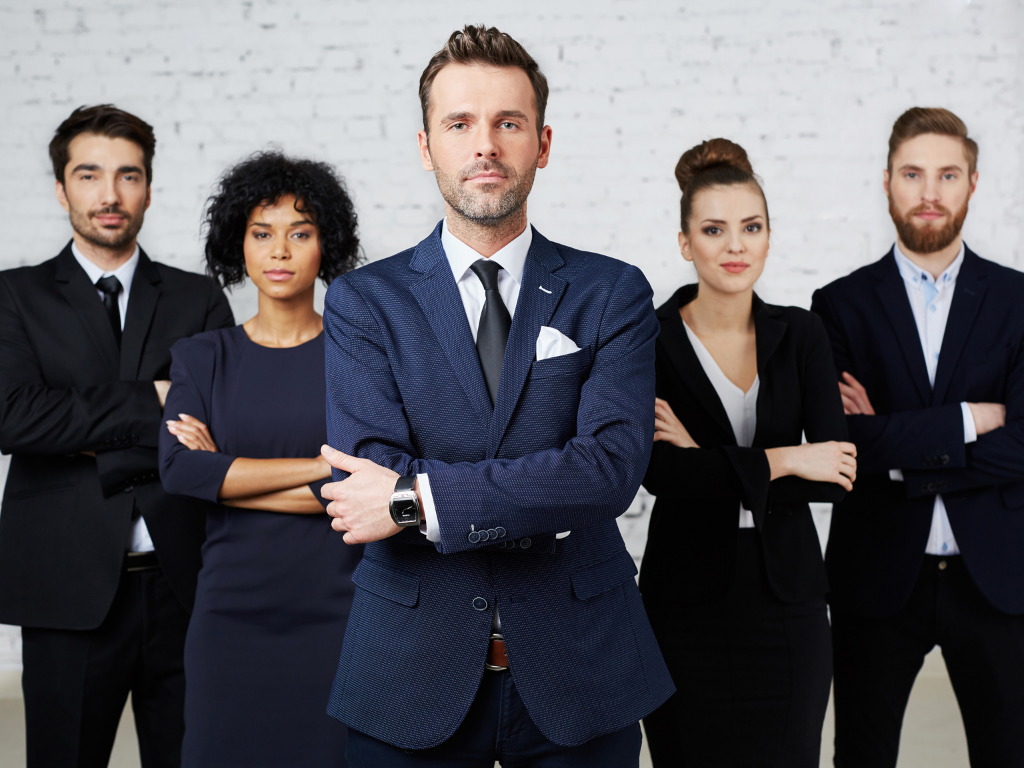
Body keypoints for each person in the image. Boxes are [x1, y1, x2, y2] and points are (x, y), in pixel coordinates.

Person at [314, 24, 674, 767]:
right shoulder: (363, 302)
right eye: (460, 124)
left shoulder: (611, 293)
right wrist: (542, 488)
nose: (486, 145)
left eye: (508, 123)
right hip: (410, 672)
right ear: (427, 147)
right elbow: (365, 474)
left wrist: (417, 501)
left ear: (541, 143)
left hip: (582, 670)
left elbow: (609, 470)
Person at [0, 105, 234, 768]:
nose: (109, 195)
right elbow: (14, 418)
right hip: (66, 588)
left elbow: (214, 429)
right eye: (89, 175)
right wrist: (155, 403)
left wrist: (77, 425)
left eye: (128, 175)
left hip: (184, 582)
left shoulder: (198, 299)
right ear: (61, 188)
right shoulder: (13, 297)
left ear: (150, 188)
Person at [811, 107, 1024, 767]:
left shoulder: (1019, 301)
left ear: (973, 184)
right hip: (876, 574)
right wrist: (969, 419)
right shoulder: (838, 305)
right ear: (886, 183)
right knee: (863, 757)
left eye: (947, 174)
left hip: (997, 577)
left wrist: (900, 453)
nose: (930, 191)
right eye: (913, 173)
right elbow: (845, 445)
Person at [638, 139, 856, 766]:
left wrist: (706, 458)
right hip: (683, 608)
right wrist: (787, 458)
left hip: (787, 606)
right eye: (714, 229)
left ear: (767, 237)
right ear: (686, 243)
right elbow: (661, 475)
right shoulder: (650, 341)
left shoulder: (802, 333)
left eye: (751, 227)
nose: (736, 246)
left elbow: (834, 474)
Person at [158, 151, 362, 767]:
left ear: (325, 244)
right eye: (262, 233)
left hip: (340, 612)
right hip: (230, 616)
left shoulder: (358, 355)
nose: (280, 251)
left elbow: (377, 484)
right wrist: (321, 466)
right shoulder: (200, 355)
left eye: (300, 233)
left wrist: (227, 472)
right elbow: (180, 472)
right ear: (238, 246)